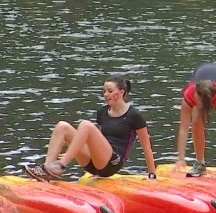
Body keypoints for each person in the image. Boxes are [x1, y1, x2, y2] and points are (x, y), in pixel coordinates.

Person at [24, 75, 157, 182]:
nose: (106, 94)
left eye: (110, 91)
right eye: (104, 91)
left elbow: (146, 147)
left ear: (121, 92)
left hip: (112, 164)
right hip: (94, 164)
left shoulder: (134, 115)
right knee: (62, 126)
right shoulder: (102, 112)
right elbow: (96, 140)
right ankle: (46, 170)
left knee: (86, 125)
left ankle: (60, 165)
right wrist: (75, 150)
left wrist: (152, 175)